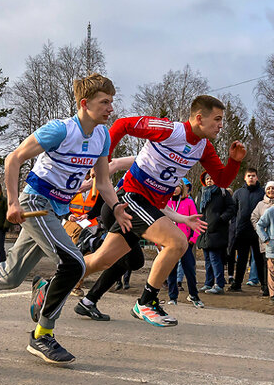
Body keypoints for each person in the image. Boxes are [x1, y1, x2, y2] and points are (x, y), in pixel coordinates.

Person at [0, 74, 129, 361]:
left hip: (55, 211)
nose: (111, 108)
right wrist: (11, 201)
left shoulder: (102, 136)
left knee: (10, 275)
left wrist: (116, 206)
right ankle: (42, 335)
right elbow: (14, 158)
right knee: (73, 264)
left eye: (112, 101)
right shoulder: (60, 130)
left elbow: (104, 182)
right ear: (84, 103)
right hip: (35, 201)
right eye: (104, 102)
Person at [66, 95, 233, 325]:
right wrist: (104, 161)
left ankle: (53, 283)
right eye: (217, 119)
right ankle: (146, 301)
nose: (221, 125)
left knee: (102, 261)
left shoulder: (203, 148)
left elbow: (222, 179)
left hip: (149, 207)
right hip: (131, 197)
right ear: (199, 118)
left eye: (221, 120)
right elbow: (123, 125)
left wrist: (234, 160)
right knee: (177, 242)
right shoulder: (169, 130)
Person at [165, 179, 203, 307]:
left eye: (178, 186)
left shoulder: (189, 202)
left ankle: (194, 296)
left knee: (189, 270)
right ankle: (172, 296)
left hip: (185, 242)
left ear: (182, 188)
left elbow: (196, 222)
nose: (175, 189)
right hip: (170, 242)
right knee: (171, 270)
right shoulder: (165, 203)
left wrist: (192, 240)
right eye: (173, 186)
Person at [230, 168, 267, 294]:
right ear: (245, 178)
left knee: (259, 260)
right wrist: (235, 226)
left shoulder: (263, 193)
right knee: (241, 260)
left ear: (257, 178)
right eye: (249, 176)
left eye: (253, 176)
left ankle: (264, 285)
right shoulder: (238, 193)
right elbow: (233, 211)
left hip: (258, 232)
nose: (251, 178)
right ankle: (237, 284)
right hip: (242, 231)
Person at [198, 171, 236, 294]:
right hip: (204, 230)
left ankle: (219, 284)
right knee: (208, 259)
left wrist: (220, 219)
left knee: (215, 259)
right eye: (207, 179)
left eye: (212, 178)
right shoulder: (201, 193)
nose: (209, 180)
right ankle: (208, 283)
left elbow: (231, 208)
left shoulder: (222, 192)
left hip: (217, 230)